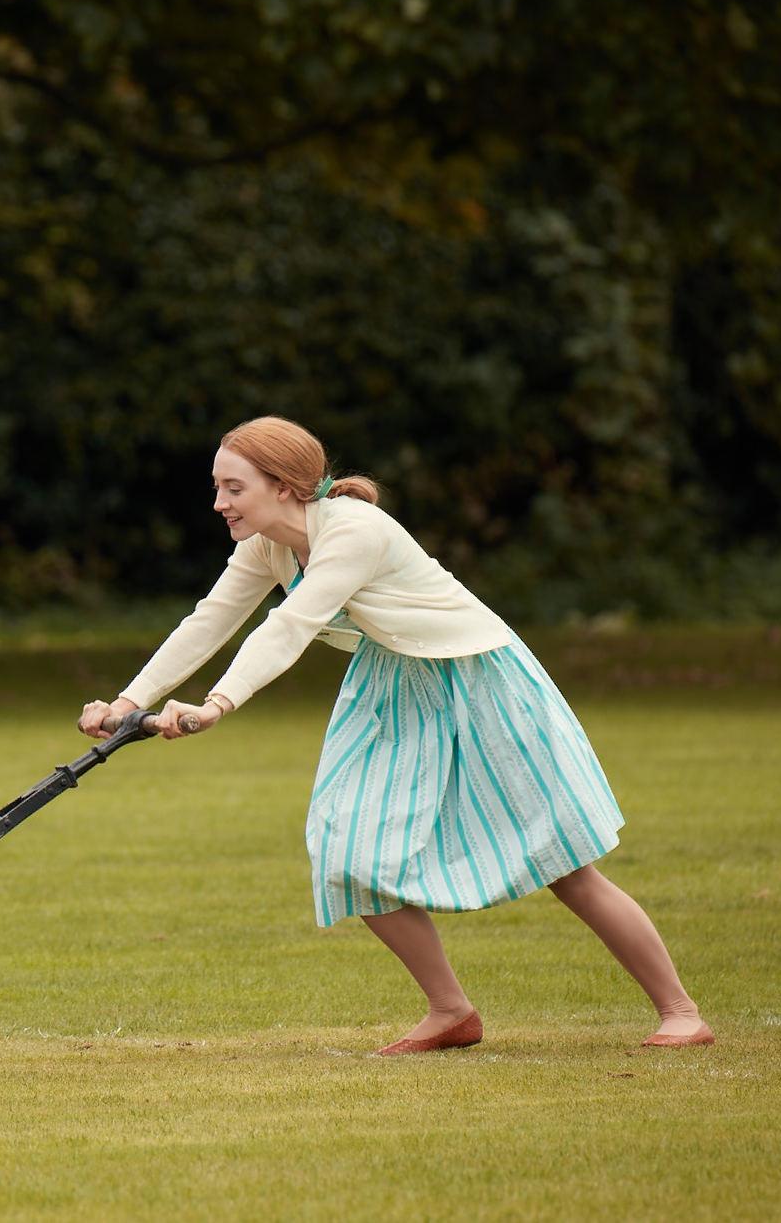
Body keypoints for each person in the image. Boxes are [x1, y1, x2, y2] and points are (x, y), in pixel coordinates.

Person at [78, 417, 713, 1053]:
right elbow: (208, 620)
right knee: (349, 852)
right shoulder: (268, 543)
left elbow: (290, 625)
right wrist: (127, 701)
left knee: (563, 864)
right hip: (393, 683)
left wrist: (217, 704)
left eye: (233, 488)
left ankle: (681, 1012)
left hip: (477, 676)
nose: (219, 503)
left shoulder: (354, 531)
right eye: (217, 487)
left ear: (286, 486)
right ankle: (450, 1012)